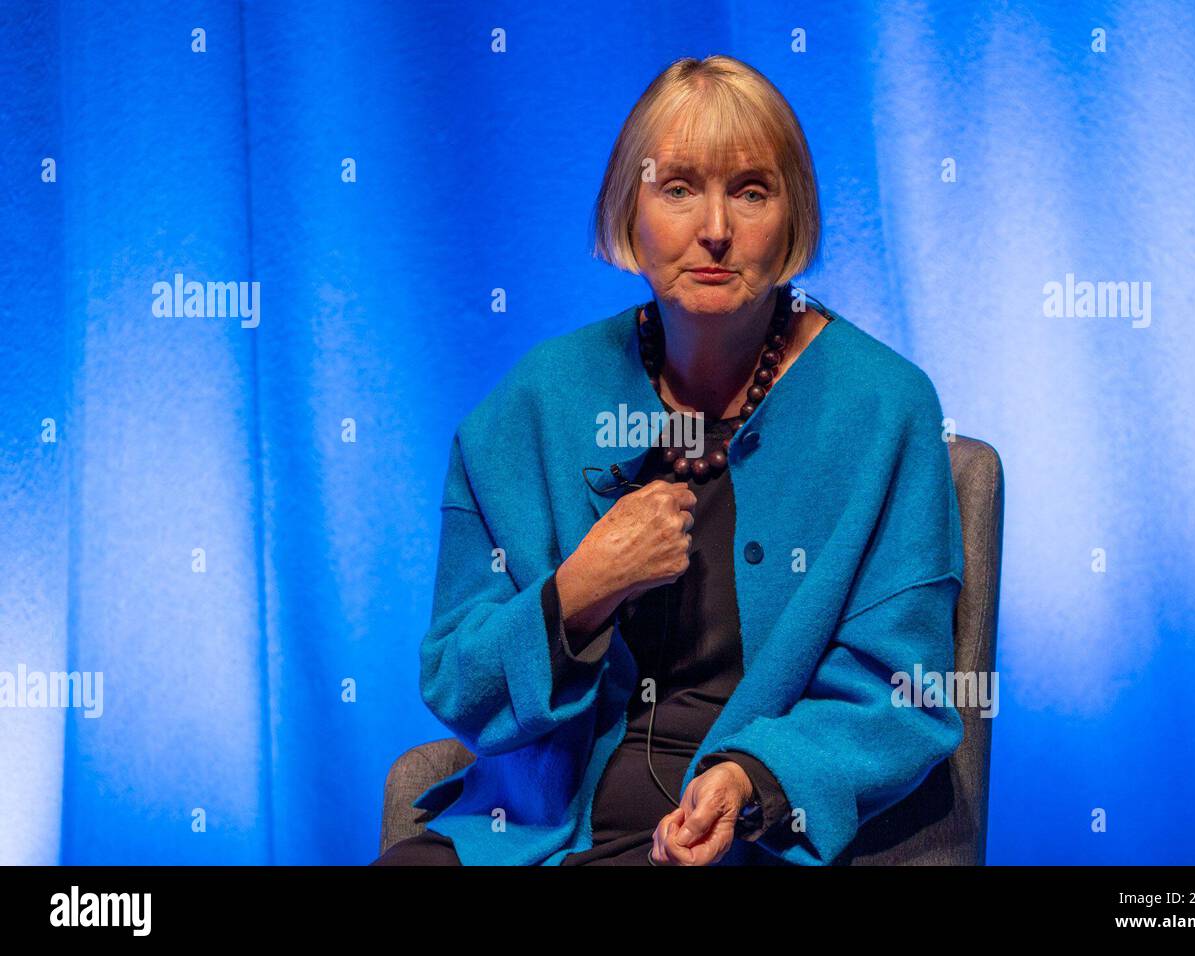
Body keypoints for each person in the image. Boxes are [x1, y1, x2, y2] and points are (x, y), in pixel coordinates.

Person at [372, 54, 964, 867]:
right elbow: (457, 682)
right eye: (678, 187)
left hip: (746, 843)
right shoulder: (538, 401)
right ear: (629, 210)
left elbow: (905, 696)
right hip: (538, 837)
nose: (714, 227)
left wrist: (753, 780)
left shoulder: (884, 408)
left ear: (794, 220)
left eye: (752, 190)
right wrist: (579, 592)